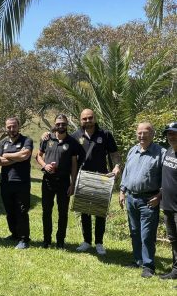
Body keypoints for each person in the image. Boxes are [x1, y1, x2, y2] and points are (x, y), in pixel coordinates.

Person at [72, 109, 121, 255]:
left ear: (95, 118)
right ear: (80, 120)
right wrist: (46, 135)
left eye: (90, 118)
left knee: (100, 212)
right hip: (83, 178)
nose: (87, 121)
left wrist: (117, 166)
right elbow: (62, 142)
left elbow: (115, 154)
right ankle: (87, 241)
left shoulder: (105, 135)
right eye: (84, 119)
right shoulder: (75, 136)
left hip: (101, 178)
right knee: (84, 211)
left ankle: (99, 243)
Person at [119, 122, 166, 278]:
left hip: (149, 200)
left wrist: (159, 196)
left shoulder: (161, 153)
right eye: (139, 133)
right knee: (134, 231)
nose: (142, 136)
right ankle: (138, 260)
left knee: (147, 234)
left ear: (152, 134)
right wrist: (122, 190)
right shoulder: (133, 150)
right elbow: (126, 171)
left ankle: (148, 265)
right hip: (132, 197)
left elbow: (169, 179)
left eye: (145, 132)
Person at [36, 114, 81, 249]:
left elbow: (74, 164)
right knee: (46, 211)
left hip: (64, 182)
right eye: (58, 123)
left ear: (67, 125)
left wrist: (73, 184)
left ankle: (60, 241)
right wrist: (45, 165)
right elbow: (38, 156)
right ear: (54, 124)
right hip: (48, 181)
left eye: (63, 124)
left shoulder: (72, 142)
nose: (61, 126)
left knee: (63, 212)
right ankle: (47, 240)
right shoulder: (47, 139)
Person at [0, 117, 33, 249]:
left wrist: (7, 155)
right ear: (6, 128)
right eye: (9, 127)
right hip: (6, 183)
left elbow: (25, 155)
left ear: (18, 126)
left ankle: (24, 239)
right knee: (9, 211)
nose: (12, 129)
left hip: (21, 183)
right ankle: (15, 235)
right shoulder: (2, 143)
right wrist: (17, 156)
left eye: (14, 126)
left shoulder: (26, 140)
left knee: (22, 211)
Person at [160, 122, 177, 280]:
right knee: (173, 239)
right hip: (168, 205)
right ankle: (176, 270)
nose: (171, 136)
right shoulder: (169, 152)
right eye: (169, 133)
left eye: (174, 133)